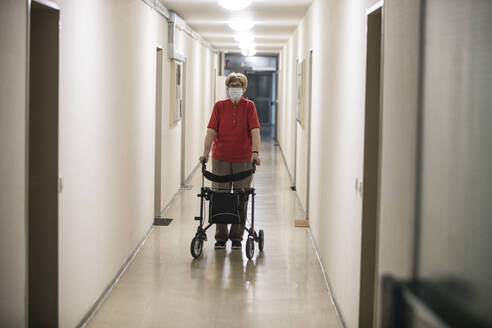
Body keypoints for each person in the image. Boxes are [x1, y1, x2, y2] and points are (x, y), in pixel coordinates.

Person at [199, 72, 261, 250]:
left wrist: (255, 153)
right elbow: (211, 131)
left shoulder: (249, 106)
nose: (235, 88)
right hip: (221, 158)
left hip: (243, 159)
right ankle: (220, 236)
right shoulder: (219, 106)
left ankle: (236, 237)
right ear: (227, 87)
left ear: (243, 88)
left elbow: (255, 131)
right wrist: (205, 153)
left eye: (238, 86)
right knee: (220, 196)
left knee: (241, 196)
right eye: (232, 85)